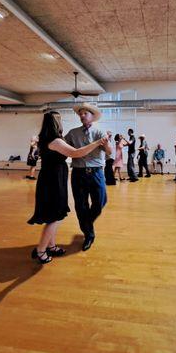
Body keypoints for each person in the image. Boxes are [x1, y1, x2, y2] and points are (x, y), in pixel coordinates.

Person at [28, 110, 105, 263]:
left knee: (55, 215)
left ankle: (51, 246)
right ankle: (41, 250)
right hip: (52, 181)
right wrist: (97, 142)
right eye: (59, 119)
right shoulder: (55, 141)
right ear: (56, 122)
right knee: (55, 217)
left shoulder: (48, 138)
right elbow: (76, 153)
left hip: (53, 178)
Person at [64, 103, 112, 251]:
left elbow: (109, 152)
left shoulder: (99, 132)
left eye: (85, 113)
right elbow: (64, 148)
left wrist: (107, 143)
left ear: (92, 115)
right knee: (81, 205)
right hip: (78, 173)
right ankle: (89, 235)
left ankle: (86, 223)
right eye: (80, 114)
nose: (82, 116)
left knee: (100, 201)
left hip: (96, 172)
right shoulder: (72, 133)